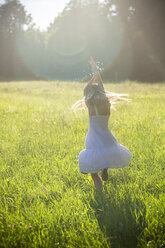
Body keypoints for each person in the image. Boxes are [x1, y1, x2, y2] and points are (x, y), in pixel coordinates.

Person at [72, 57, 132, 190]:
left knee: (92, 169)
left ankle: (100, 189)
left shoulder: (91, 105)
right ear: (101, 93)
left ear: (89, 96)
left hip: (93, 138)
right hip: (107, 137)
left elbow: (85, 89)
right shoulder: (106, 103)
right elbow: (101, 87)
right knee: (105, 153)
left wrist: (93, 74)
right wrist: (96, 72)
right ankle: (104, 166)